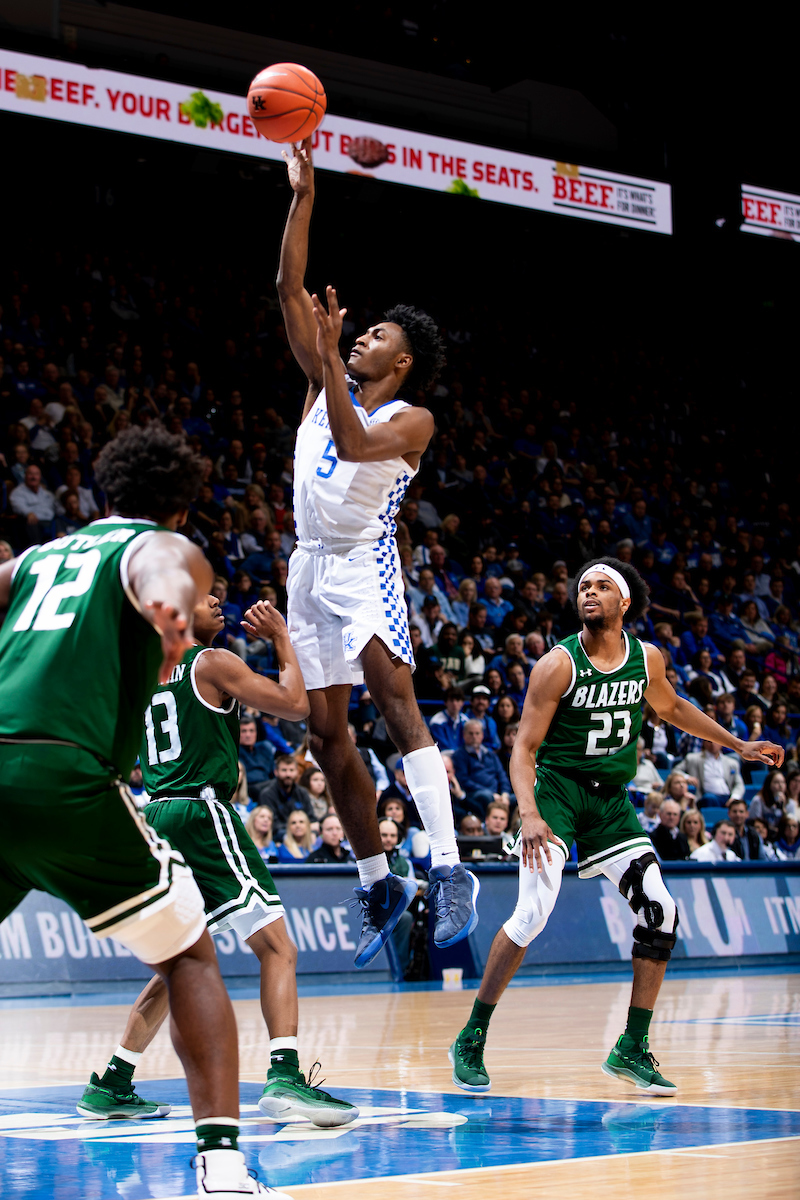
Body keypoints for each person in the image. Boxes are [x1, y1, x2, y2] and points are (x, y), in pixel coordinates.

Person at [0, 425, 295, 1199]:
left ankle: (124, 1079)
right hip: (65, 773)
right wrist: (172, 616)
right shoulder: (157, 551)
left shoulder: (38, 558)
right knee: (192, 953)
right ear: (180, 506)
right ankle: (223, 1164)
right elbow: (164, 567)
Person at [447, 556, 782, 1099]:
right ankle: (472, 1034)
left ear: (624, 602)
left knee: (662, 913)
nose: (589, 592)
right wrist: (528, 814)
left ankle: (631, 1045)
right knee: (532, 913)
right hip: (557, 793)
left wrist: (738, 744)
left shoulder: (646, 658)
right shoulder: (558, 664)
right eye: (583, 586)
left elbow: (673, 708)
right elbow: (524, 748)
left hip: (610, 804)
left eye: (602, 586)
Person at [277, 138, 477, 967]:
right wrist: (304, 198)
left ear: (402, 362)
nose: (357, 336)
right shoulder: (324, 380)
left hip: (364, 564)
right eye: (355, 334)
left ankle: (454, 870)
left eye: (374, 336)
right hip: (308, 564)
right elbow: (287, 287)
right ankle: (379, 878)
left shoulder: (413, 420)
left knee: (395, 700)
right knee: (327, 733)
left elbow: (357, 449)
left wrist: (328, 361)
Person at [80, 592, 357, 1133]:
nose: (219, 603)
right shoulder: (210, 661)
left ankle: (112, 1080)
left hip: (155, 815)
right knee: (278, 947)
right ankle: (284, 1076)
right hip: (201, 813)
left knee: (182, 960)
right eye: (207, 599)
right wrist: (281, 638)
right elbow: (296, 705)